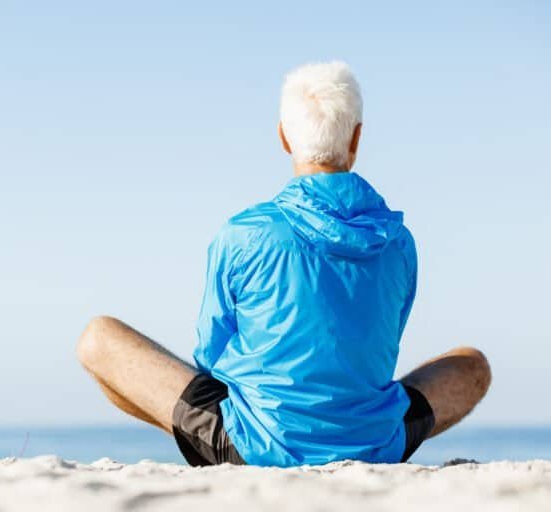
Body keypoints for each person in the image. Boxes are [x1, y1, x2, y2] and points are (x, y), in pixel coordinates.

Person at [76, 61, 491, 467]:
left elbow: (209, 354)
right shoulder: (400, 243)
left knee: (98, 338)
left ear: (284, 138)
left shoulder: (244, 232)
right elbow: (380, 344)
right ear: (357, 138)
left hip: (256, 445)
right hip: (373, 442)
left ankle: (204, 446)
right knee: (473, 365)